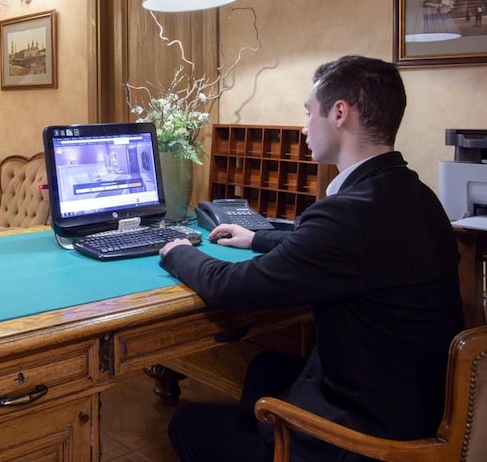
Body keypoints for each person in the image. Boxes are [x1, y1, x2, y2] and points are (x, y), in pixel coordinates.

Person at [159, 55, 464, 462]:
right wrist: (258, 238)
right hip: (415, 405)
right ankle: (267, 440)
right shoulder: (416, 195)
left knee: (187, 425)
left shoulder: (347, 216)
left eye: (308, 112)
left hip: (369, 437)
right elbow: (336, 249)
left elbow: (228, 287)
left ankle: (278, 447)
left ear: (339, 113)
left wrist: (178, 251)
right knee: (265, 368)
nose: (304, 127)